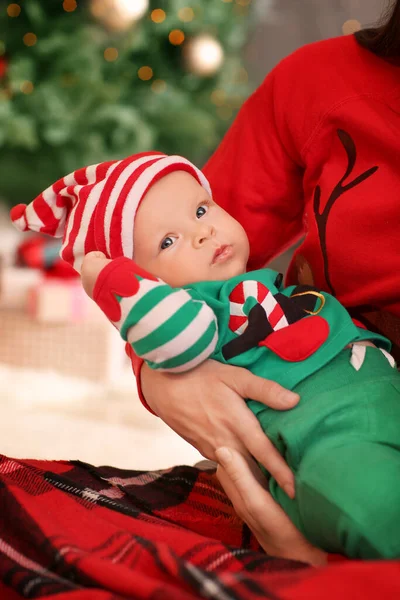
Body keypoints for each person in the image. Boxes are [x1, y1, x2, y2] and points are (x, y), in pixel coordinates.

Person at [10, 0, 400, 564]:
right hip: (322, 443)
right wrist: (170, 379)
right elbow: (163, 271)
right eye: (181, 230)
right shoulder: (318, 82)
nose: (199, 232)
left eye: (202, 214)